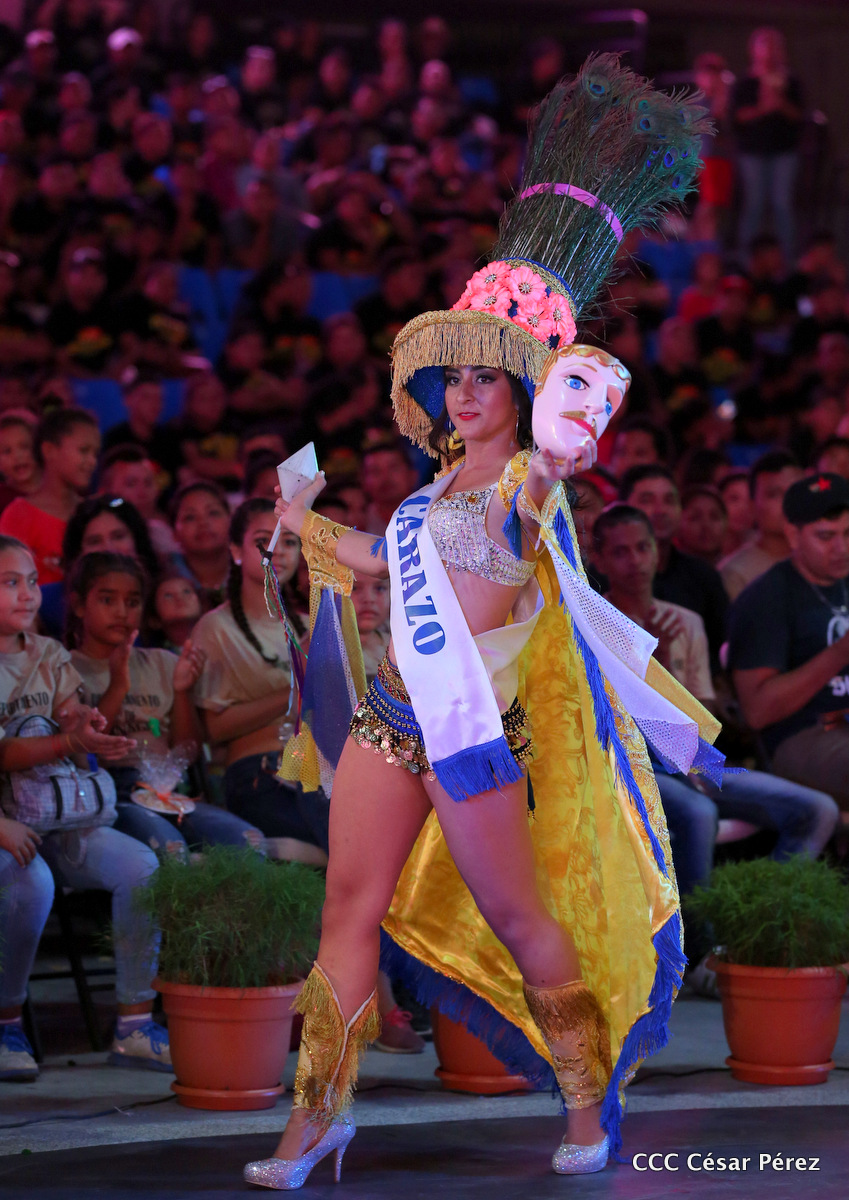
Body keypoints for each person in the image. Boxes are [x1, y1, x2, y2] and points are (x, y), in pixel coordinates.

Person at [244, 58, 715, 1187]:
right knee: (345, 912)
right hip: (391, 721)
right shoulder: (430, 495)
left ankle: (588, 1105)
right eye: (452, 376)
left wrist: (555, 451)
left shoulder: (521, 494)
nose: (463, 391)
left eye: (486, 377)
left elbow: (526, 512)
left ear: (520, 391)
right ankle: (315, 1122)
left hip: (471, 738)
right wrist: (302, 523)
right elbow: (378, 558)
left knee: (517, 916)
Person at [595, 505, 838, 972]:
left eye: (643, 548)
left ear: (657, 551)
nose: (635, 561)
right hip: (630, 763)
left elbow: (703, 716)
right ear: (600, 560)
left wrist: (665, 665)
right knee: (699, 813)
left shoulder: (684, 621)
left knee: (817, 810)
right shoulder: (594, 621)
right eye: (620, 552)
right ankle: (700, 954)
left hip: (695, 757)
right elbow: (606, 721)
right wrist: (647, 666)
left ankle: (756, 931)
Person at [0, 535, 171, 1076]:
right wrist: (68, 742)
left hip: (58, 812)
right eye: (9, 582)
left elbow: (73, 726)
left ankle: (134, 1026)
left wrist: (90, 726)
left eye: (31, 581)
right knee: (32, 882)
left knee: (141, 866)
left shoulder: (47, 654)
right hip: (8, 824)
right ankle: (7, 1025)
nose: (27, 594)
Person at [67, 551, 263, 856]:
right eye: (107, 600)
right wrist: (118, 686)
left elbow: (188, 749)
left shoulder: (162, 663)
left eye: (133, 602)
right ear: (79, 605)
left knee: (249, 841)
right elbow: (84, 748)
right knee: (170, 848)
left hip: (166, 791)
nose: (122, 612)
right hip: (110, 792)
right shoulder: (66, 668)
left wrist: (182, 691)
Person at [192, 499, 322, 844]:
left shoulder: (310, 624)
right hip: (258, 772)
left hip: (320, 768)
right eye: (264, 539)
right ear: (235, 550)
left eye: (290, 541)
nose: (278, 550)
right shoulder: (216, 628)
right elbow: (213, 730)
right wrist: (297, 682)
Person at [729, 473, 849, 810]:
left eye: (848, 534)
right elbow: (757, 712)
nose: (841, 548)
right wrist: (840, 653)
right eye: (826, 536)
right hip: (801, 736)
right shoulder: (766, 598)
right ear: (793, 535)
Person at [620, 464, 729, 669]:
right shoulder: (604, 577)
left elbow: (720, 653)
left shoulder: (703, 577)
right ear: (623, 508)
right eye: (647, 500)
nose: (660, 510)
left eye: (669, 501)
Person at [0, 407, 100, 584]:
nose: (92, 461)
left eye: (95, 453)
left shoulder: (92, 512)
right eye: (84, 450)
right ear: (49, 450)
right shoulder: (19, 515)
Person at [718, 450, 801, 601]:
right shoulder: (736, 573)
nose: (787, 502)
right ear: (752, 507)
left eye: (794, 492)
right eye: (774, 494)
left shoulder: (821, 556)